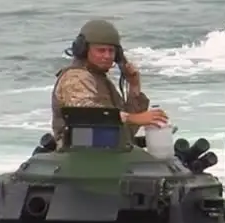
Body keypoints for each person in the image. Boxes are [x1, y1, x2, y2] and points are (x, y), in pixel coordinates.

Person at [49, 19, 168, 147]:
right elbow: (88, 115)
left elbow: (125, 130)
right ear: (84, 50)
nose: (107, 56)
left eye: (111, 51)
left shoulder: (99, 79)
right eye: (101, 50)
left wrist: (134, 86)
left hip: (104, 151)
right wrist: (134, 118)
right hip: (79, 155)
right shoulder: (75, 78)